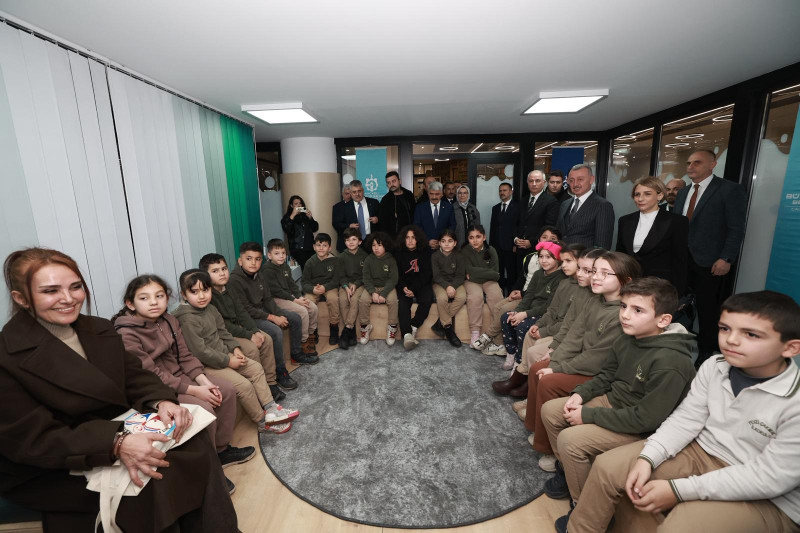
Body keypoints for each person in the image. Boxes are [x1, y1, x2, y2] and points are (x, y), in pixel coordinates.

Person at [1, 248, 239, 532]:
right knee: (153, 480)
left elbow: (135, 375)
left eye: (75, 287)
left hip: (116, 428)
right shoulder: (7, 356)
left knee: (195, 442)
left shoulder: (99, 329)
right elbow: (32, 439)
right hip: (58, 462)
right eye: (51, 291)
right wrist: (115, 443)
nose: (68, 298)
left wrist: (162, 401)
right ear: (21, 298)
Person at [568, 291, 800, 533]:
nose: (731, 340)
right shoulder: (714, 366)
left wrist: (679, 490)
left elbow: (769, 477)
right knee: (608, 467)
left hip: (771, 497)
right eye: (725, 329)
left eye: (751, 334)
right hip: (702, 451)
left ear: (790, 348)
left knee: (683, 524)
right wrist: (648, 458)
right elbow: (685, 419)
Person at [541, 277, 696, 532]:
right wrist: (581, 394)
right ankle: (572, 474)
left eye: (637, 310)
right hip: (614, 402)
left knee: (570, 441)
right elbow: (606, 376)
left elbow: (647, 419)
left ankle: (585, 506)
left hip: (642, 427)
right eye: (624, 306)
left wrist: (588, 415)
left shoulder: (671, 362)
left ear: (663, 320)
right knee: (550, 411)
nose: (625, 315)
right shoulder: (627, 337)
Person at [112, 273, 252, 476]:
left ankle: (221, 451)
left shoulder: (169, 320)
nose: (154, 302)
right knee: (204, 408)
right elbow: (150, 373)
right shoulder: (126, 332)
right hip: (155, 388)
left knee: (226, 390)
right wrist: (194, 391)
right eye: (144, 298)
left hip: (180, 376)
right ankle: (209, 467)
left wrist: (204, 382)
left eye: (159, 296)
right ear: (130, 304)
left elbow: (185, 355)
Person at [525, 252, 641, 472]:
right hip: (582, 362)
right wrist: (555, 359)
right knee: (538, 368)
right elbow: (575, 335)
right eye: (594, 271)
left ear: (626, 281)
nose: (595, 277)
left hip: (599, 374)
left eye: (604, 273)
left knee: (549, 381)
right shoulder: (595, 300)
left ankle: (549, 448)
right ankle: (536, 427)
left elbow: (597, 359)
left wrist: (559, 369)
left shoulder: (622, 314)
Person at [173, 269, 299, 434]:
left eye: (205, 290)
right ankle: (262, 422)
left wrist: (235, 348)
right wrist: (228, 361)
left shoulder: (210, 309)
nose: (202, 296)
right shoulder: (187, 319)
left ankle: (271, 409)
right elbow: (200, 352)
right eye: (194, 292)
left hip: (224, 354)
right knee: (244, 385)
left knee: (255, 368)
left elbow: (223, 332)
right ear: (184, 294)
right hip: (208, 365)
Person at [673, 149, 747, 367]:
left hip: (710, 262)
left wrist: (726, 258)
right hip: (681, 260)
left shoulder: (729, 190)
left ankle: (706, 352)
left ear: (713, 164)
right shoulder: (683, 192)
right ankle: (676, 347)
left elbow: (736, 229)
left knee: (707, 310)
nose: (690, 167)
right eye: (688, 163)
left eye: (697, 162)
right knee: (678, 305)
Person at [492, 243, 588, 403]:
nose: (564, 265)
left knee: (532, 346)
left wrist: (544, 330)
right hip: (553, 324)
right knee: (527, 332)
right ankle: (521, 376)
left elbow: (569, 323)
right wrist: (539, 325)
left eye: (568, 261)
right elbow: (551, 310)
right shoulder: (565, 283)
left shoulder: (581, 289)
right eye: (563, 261)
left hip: (562, 333)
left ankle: (527, 383)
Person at [200, 253, 285, 402]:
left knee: (266, 339)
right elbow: (223, 326)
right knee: (251, 348)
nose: (222, 273)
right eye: (215, 271)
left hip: (237, 327)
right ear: (205, 275)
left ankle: (270, 383)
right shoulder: (208, 296)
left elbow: (241, 312)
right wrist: (249, 335)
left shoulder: (229, 287)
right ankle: (258, 388)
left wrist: (255, 331)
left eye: (224, 269)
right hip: (224, 334)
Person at [227, 242, 307, 389]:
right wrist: (272, 317)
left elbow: (268, 299)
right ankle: (280, 371)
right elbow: (245, 309)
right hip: (248, 317)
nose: (253, 263)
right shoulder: (234, 281)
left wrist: (279, 314)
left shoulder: (259, 274)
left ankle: (296, 353)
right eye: (249, 258)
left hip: (262, 309)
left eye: (257, 259)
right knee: (275, 331)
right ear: (240, 261)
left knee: (294, 317)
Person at [475, 226, 561, 357]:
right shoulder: (531, 259)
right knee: (498, 307)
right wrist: (516, 290)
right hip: (525, 294)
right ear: (538, 240)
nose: (544, 260)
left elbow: (541, 297)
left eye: (552, 239)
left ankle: (494, 339)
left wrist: (522, 304)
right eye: (545, 237)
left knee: (505, 310)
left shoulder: (557, 273)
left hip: (531, 300)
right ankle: (500, 344)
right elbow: (522, 277)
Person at [494, 242, 568, 370]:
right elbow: (528, 296)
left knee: (522, 326)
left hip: (544, 314)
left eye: (548, 257)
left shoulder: (560, 278)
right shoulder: (538, 274)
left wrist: (524, 314)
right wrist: (517, 311)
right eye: (541, 256)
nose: (543, 260)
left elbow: (548, 306)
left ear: (558, 258)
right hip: (531, 309)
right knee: (506, 317)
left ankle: (519, 361)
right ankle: (511, 353)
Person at [616, 176, 689, 295]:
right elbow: (620, 255)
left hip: (659, 286)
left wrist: (677, 292)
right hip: (630, 283)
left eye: (647, 194)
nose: (640, 199)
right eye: (637, 194)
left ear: (660, 196)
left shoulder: (677, 221)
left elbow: (680, 260)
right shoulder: (625, 221)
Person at [264, 238, 320, 361]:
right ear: (269, 255)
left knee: (312, 307)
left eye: (283, 253)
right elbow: (276, 291)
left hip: (289, 296)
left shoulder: (285, 266)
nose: (281, 256)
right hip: (276, 299)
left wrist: (300, 297)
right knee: (302, 311)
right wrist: (295, 301)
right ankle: (303, 343)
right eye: (277, 253)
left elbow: (292, 284)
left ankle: (311, 336)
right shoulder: (267, 270)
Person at [462, 225, 504, 347]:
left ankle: (497, 334)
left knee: (496, 296)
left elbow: (496, 275)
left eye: (478, 237)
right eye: (471, 238)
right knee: (475, 297)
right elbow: (467, 271)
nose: (475, 240)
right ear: (468, 239)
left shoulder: (491, 250)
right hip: (472, 282)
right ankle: (475, 333)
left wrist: (474, 273)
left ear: (484, 237)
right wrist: (488, 273)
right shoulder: (465, 251)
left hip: (488, 281)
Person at [556, 163, 615, 249]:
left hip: (585, 256)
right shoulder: (565, 204)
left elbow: (602, 246)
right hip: (562, 255)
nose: (575, 184)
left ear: (591, 179)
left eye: (580, 179)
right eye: (571, 180)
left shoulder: (603, 205)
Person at [395, 225, 435, 350]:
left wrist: (414, 289)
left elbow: (427, 274)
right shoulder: (398, 252)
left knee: (427, 298)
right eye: (407, 238)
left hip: (421, 283)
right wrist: (404, 287)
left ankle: (413, 326)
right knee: (402, 303)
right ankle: (407, 335)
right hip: (404, 285)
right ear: (403, 239)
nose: (410, 240)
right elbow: (397, 274)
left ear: (418, 239)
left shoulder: (425, 251)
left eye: (413, 237)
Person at [359, 232, 399, 345]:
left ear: (385, 246)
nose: (376, 248)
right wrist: (372, 292)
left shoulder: (391, 259)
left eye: (379, 245)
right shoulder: (368, 259)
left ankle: (392, 328)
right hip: (372, 287)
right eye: (374, 245)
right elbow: (366, 278)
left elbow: (393, 279)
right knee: (363, 301)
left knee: (393, 301)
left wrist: (384, 293)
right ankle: (365, 327)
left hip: (387, 287)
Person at [301, 233, 341, 346]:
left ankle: (334, 328)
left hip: (330, 286)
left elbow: (336, 279)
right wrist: (312, 289)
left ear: (330, 248)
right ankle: (312, 331)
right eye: (318, 245)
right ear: (314, 247)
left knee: (333, 299)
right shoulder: (310, 262)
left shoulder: (335, 261)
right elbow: (304, 282)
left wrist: (325, 287)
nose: (321, 248)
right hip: (314, 288)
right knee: (307, 302)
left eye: (324, 245)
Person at [515, 170, 559, 269]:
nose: (534, 184)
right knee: (520, 274)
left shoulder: (551, 201)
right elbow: (516, 222)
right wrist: (516, 239)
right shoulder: (523, 200)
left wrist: (532, 242)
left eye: (537, 181)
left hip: (538, 249)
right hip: (520, 248)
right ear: (527, 183)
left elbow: (549, 227)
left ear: (544, 182)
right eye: (531, 181)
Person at [431, 228, 467, 347]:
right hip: (439, 283)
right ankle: (448, 328)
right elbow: (436, 276)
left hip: (456, 282)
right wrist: (447, 287)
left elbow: (460, 275)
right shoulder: (435, 256)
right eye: (443, 241)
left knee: (461, 297)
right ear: (439, 243)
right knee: (442, 299)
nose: (446, 244)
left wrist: (453, 286)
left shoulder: (459, 256)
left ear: (455, 243)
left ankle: (440, 323)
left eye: (450, 241)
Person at [337, 227, 369, 348]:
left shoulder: (365, 256)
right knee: (343, 300)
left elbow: (365, 275)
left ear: (359, 241)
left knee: (355, 299)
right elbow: (340, 276)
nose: (350, 242)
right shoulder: (341, 257)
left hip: (360, 284)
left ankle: (346, 330)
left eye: (354, 239)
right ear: (344, 242)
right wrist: (346, 286)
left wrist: (356, 284)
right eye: (347, 240)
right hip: (345, 284)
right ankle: (352, 333)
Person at [489, 182, 519, 294]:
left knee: (511, 273)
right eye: (500, 191)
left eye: (505, 190)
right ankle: (499, 294)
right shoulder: (495, 208)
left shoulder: (517, 207)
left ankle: (511, 295)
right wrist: (490, 247)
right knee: (498, 272)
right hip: (497, 247)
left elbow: (518, 226)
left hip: (511, 247)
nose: (502, 193)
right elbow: (493, 228)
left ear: (511, 192)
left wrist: (515, 244)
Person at [413, 181, 456, 250]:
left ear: (442, 194)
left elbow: (452, 225)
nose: (434, 197)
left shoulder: (449, 207)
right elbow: (417, 227)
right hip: (425, 248)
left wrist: (442, 241)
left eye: (437, 194)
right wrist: (427, 240)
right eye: (431, 194)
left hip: (444, 247)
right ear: (428, 193)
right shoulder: (420, 208)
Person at [280, 195, 319, 269]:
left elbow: (315, 228)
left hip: (310, 249)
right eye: (296, 204)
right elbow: (287, 229)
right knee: (301, 271)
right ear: (291, 206)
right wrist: (293, 215)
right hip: (297, 250)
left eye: (300, 203)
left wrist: (310, 218)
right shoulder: (287, 217)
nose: (299, 205)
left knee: (312, 270)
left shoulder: (305, 216)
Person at [342, 180, 381, 246]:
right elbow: (339, 224)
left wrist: (377, 219)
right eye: (354, 192)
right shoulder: (346, 207)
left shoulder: (374, 203)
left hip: (372, 240)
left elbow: (384, 217)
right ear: (351, 193)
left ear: (363, 191)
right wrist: (349, 226)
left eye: (359, 191)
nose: (357, 194)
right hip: (354, 242)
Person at [378, 171, 416, 238]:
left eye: (394, 181)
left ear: (399, 181)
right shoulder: (385, 200)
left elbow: (414, 214)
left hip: (409, 235)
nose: (391, 184)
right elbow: (382, 223)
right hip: (393, 238)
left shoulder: (409, 195)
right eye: (389, 183)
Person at [332, 184, 352, 252]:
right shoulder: (337, 207)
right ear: (342, 194)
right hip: (343, 241)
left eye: (351, 193)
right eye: (347, 194)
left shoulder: (358, 206)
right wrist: (349, 226)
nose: (349, 196)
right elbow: (335, 224)